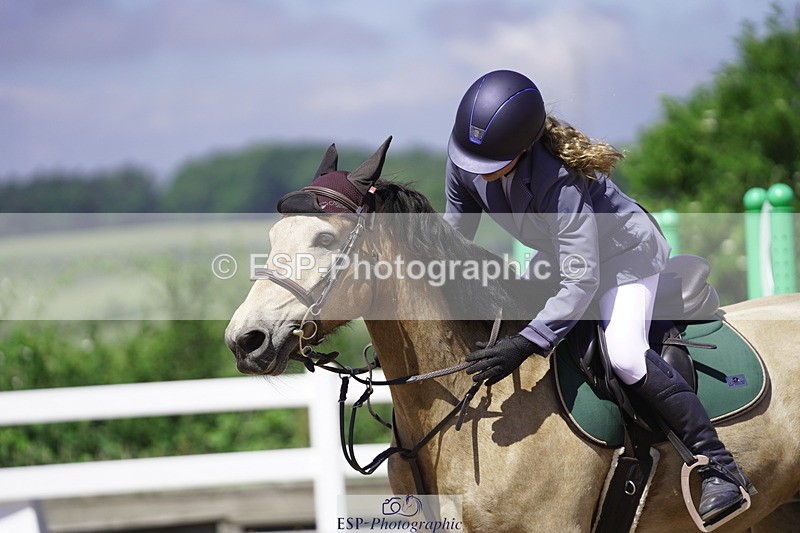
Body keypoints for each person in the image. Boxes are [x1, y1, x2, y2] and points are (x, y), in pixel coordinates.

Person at [443, 69, 755, 524]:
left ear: (525, 147)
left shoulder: (558, 180)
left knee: (626, 354)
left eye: (492, 165)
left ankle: (719, 468)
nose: (479, 174)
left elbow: (582, 280)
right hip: (562, 254)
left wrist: (528, 342)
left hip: (624, 256)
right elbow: (452, 239)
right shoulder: (469, 157)